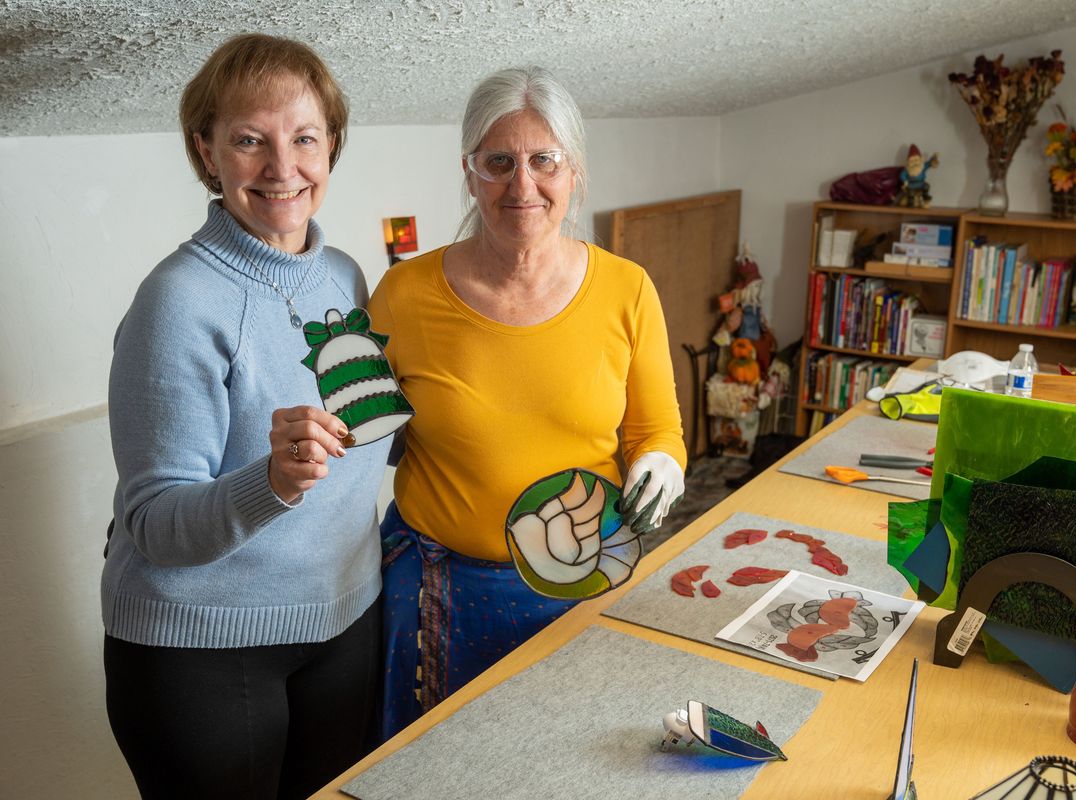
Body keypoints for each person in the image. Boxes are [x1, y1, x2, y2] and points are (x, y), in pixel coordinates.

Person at [101, 34, 390, 799]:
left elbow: (368, 440)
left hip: (345, 618)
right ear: (207, 153)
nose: (282, 168)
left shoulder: (345, 273)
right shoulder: (179, 300)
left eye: (304, 138)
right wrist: (273, 480)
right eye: (249, 141)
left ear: (332, 147)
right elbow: (154, 522)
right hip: (200, 651)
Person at [368, 66, 687, 736]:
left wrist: (661, 464)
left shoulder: (627, 289)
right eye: (499, 162)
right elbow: (358, 435)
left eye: (544, 160)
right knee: (438, 769)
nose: (523, 185)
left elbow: (657, 429)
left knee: (572, 756)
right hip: (438, 593)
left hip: (587, 580)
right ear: (469, 172)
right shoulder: (404, 292)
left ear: (573, 171)